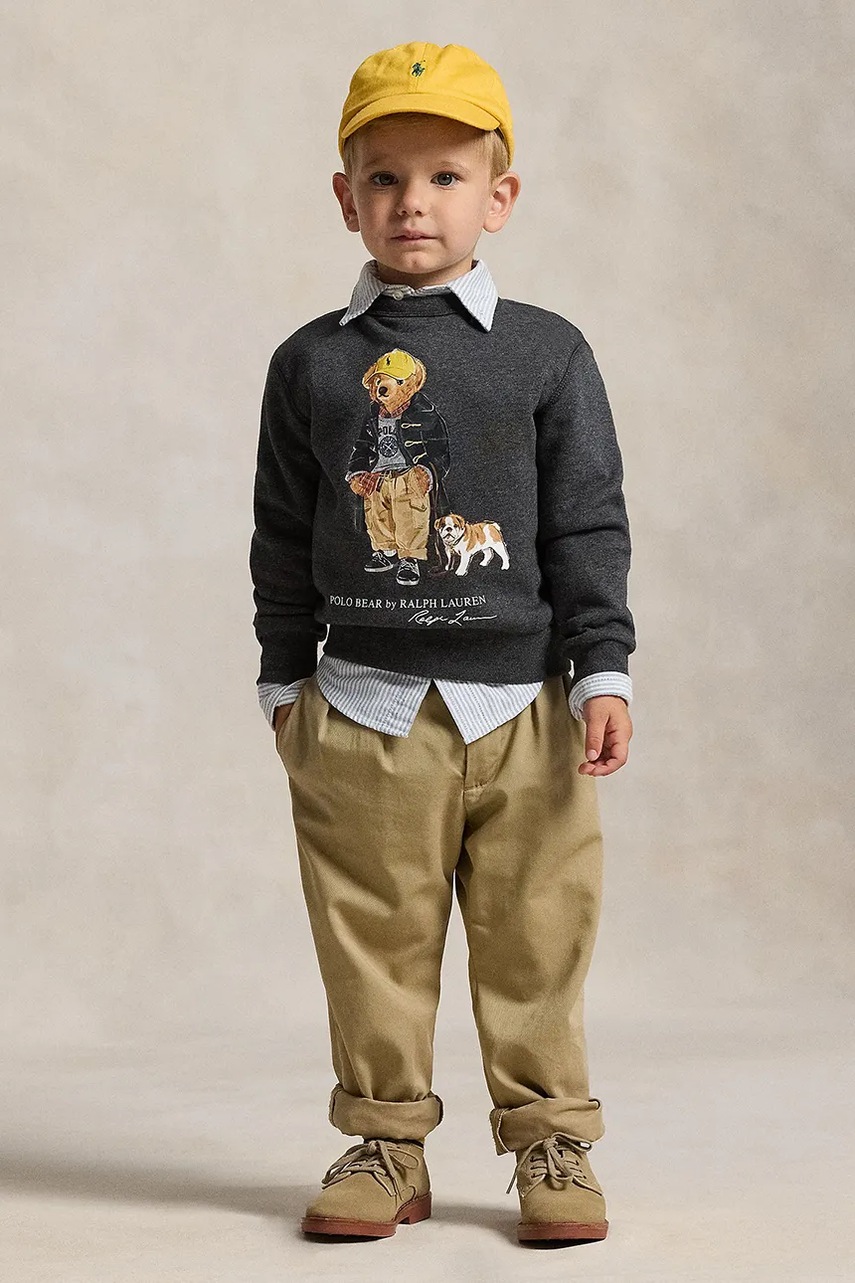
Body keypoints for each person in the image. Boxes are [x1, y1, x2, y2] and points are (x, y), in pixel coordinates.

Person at [248, 40, 636, 1246]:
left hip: (526, 707)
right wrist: (282, 678)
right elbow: (279, 529)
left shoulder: (547, 351)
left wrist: (604, 667)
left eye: (446, 177)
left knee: (538, 932)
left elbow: (586, 518)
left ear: (498, 197)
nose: (414, 202)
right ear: (346, 196)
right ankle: (385, 1141)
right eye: (385, 177)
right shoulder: (312, 362)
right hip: (363, 707)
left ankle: (552, 1138)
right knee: (373, 938)